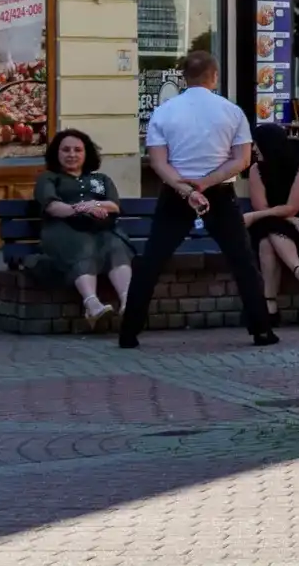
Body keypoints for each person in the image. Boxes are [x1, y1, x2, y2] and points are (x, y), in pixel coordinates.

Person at [117, 46, 280, 349]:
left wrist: (186, 189)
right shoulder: (231, 111)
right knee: (243, 261)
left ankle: (129, 333)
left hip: (176, 193)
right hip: (219, 193)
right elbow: (242, 160)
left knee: (151, 261)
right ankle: (261, 329)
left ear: (184, 77)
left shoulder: (164, 112)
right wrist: (204, 183)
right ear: (214, 76)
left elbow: (158, 162)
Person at [32, 131, 131, 328]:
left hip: (99, 229)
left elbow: (113, 206)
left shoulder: (100, 179)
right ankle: (92, 304)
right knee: (82, 245)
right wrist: (80, 208)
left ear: (86, 154)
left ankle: (128, 302)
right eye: (66, 150)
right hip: (62, 230)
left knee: (115, 244)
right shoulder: (49, 178)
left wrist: (94, 204)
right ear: (57, 153)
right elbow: (52, 206)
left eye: (77, 150)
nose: (72, 154)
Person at [242, 132, 299, 309]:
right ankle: (298, 270)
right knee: (267, 236)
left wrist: (254, 216)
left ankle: (269, 307)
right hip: (272, 223)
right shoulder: (256, 170)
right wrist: (292, 219)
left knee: (267, 236)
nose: (254, 149)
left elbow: (292, 207)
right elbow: (261, 207)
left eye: (256, 144)